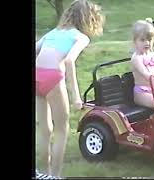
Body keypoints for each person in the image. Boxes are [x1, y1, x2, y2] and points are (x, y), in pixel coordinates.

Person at [35, 0, 105, 176]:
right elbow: (68, 61)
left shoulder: (53, 32)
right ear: (88, 19)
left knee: (44, 129)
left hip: (36, 75)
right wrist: (76, 96)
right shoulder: (81, 37)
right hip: (52, 76)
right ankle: (55, 176)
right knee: (61, 129)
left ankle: (43, 173)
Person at [130, 18, 154, 108]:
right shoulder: (136, 58)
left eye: (149, 40)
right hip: (142, 92)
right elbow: (147, 75)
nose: (147, 43)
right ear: (135, 41)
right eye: (142, 40)